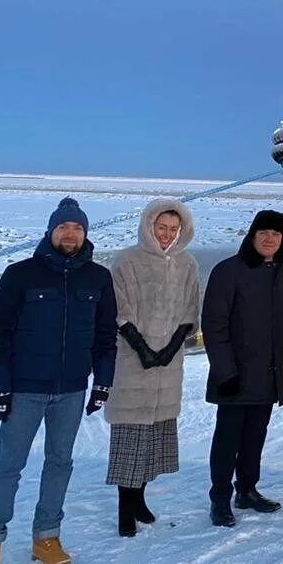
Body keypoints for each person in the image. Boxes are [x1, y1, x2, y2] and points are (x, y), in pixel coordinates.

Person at [0, 198, 117, 564]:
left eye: (77, 229)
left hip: (70, 390)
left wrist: (102, 382)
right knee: (9, 466)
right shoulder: (20, 275)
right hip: (24, 390)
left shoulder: (98, 278)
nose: (70, 235)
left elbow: (106, 338)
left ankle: (47, 536)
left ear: (85, 234)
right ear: (51, 232)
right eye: (63, 228)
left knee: (60, 462)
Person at [106, 200, 199, 538]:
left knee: (153, 440)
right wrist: (142, 348)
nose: (167, 235)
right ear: (149, 226)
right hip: (132, 362)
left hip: (167, 366)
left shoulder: (187, 263)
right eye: (162, 228)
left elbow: (191, 309)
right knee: (130, 438)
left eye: (173, 229)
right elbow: (119, 309)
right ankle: (124, 509)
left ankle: (140, 499)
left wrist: (172, 347)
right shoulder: (128, 261)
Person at [202, 210, 283, 529]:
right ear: (252, 236)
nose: (270, 239)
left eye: (276, 234)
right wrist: (226, 371)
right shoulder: (228, 271)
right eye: (264, 233)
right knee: (228, 439)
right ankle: (220, 498)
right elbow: (214, 325)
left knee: (255, 436)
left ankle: (247, 490)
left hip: (268, 373)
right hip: (236, 374)